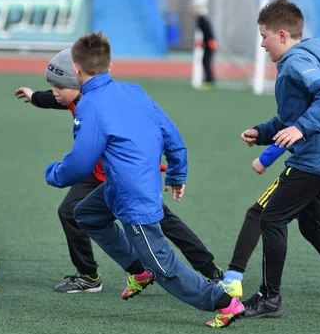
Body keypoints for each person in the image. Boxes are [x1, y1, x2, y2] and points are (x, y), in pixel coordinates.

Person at [44, 31, 244, 328]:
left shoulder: (90, 105)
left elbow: (80, 164)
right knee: (85, 214)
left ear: (75, 69)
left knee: (164, 266)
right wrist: (177, 172)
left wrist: (54, 173)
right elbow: (171, 135)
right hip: (120, 187)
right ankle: (138, 271)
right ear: (110, 66)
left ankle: (224, 303)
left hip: (133, 197)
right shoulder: (135, 91)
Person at [14, 50, 224, 294]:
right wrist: (35, 97)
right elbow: (55, 99)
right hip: (96, 174)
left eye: (59, 86)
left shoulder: (99, 100)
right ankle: (92, 275)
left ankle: (211, 271)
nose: (57, 92)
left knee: (164, 222)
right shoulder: (71, 95)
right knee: (70, 212)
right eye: (54, 86)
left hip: (124, 175)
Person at [239, 0, 320, 318]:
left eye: (264, 37)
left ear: (282, 35)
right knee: (315, 226)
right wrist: (263, 132)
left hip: (314, 158)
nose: (262, 45)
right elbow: (290, 118)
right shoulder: (297, 60)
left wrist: (301, 129)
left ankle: (270, 298)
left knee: (270, 218)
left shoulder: (297, 62)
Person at [222, 105, 320, 299]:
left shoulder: (308, 95)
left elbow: (290, 131)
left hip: (311, 171)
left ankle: (233, 279)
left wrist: (264, 159)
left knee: (260, 215)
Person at [192, 0, 218, 91]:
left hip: (209, 44)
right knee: (205, 61)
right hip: (208, 43)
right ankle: (207, 81)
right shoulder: (200, 18)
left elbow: (208, 33)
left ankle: (209, 82)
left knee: (206, 62)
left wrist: (210, 43)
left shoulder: (202, 19)